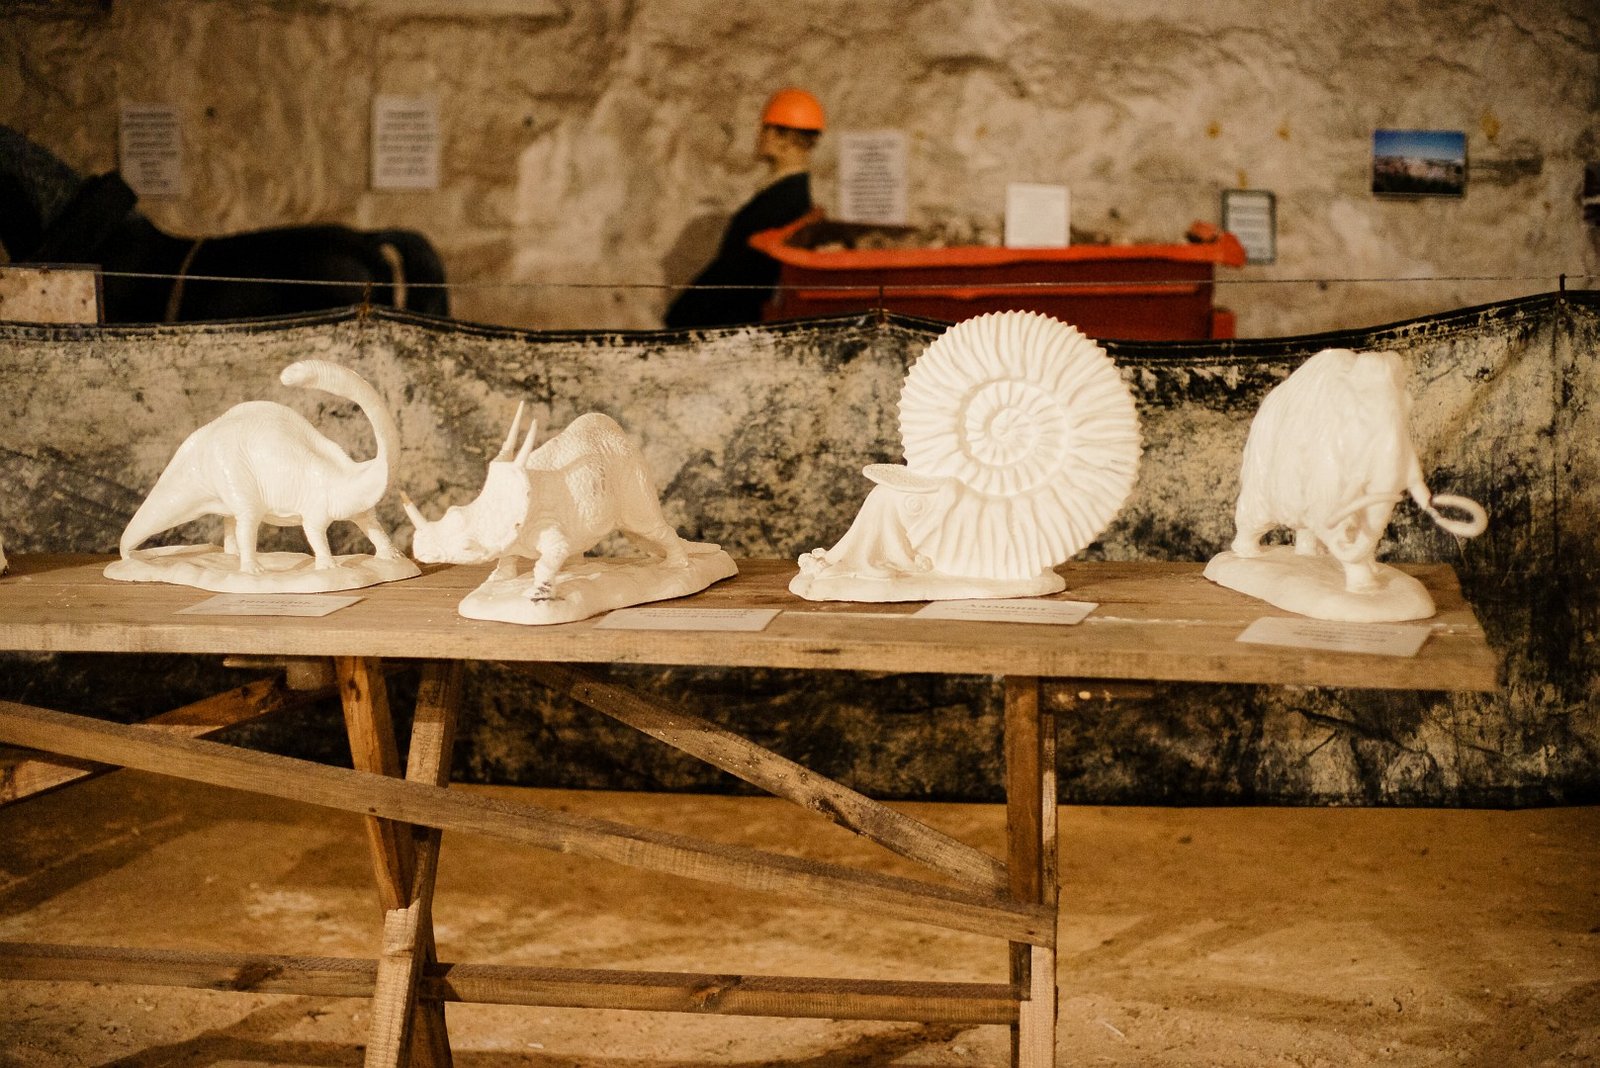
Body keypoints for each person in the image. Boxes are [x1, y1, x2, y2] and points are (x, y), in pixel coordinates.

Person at [664, 87, 824, 328]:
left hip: (729, 321)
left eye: (766, 128)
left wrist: (686, 314)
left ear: (783, 137)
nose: (760, 136)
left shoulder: (783, 200)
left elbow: (739, 272)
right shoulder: (786, 194)